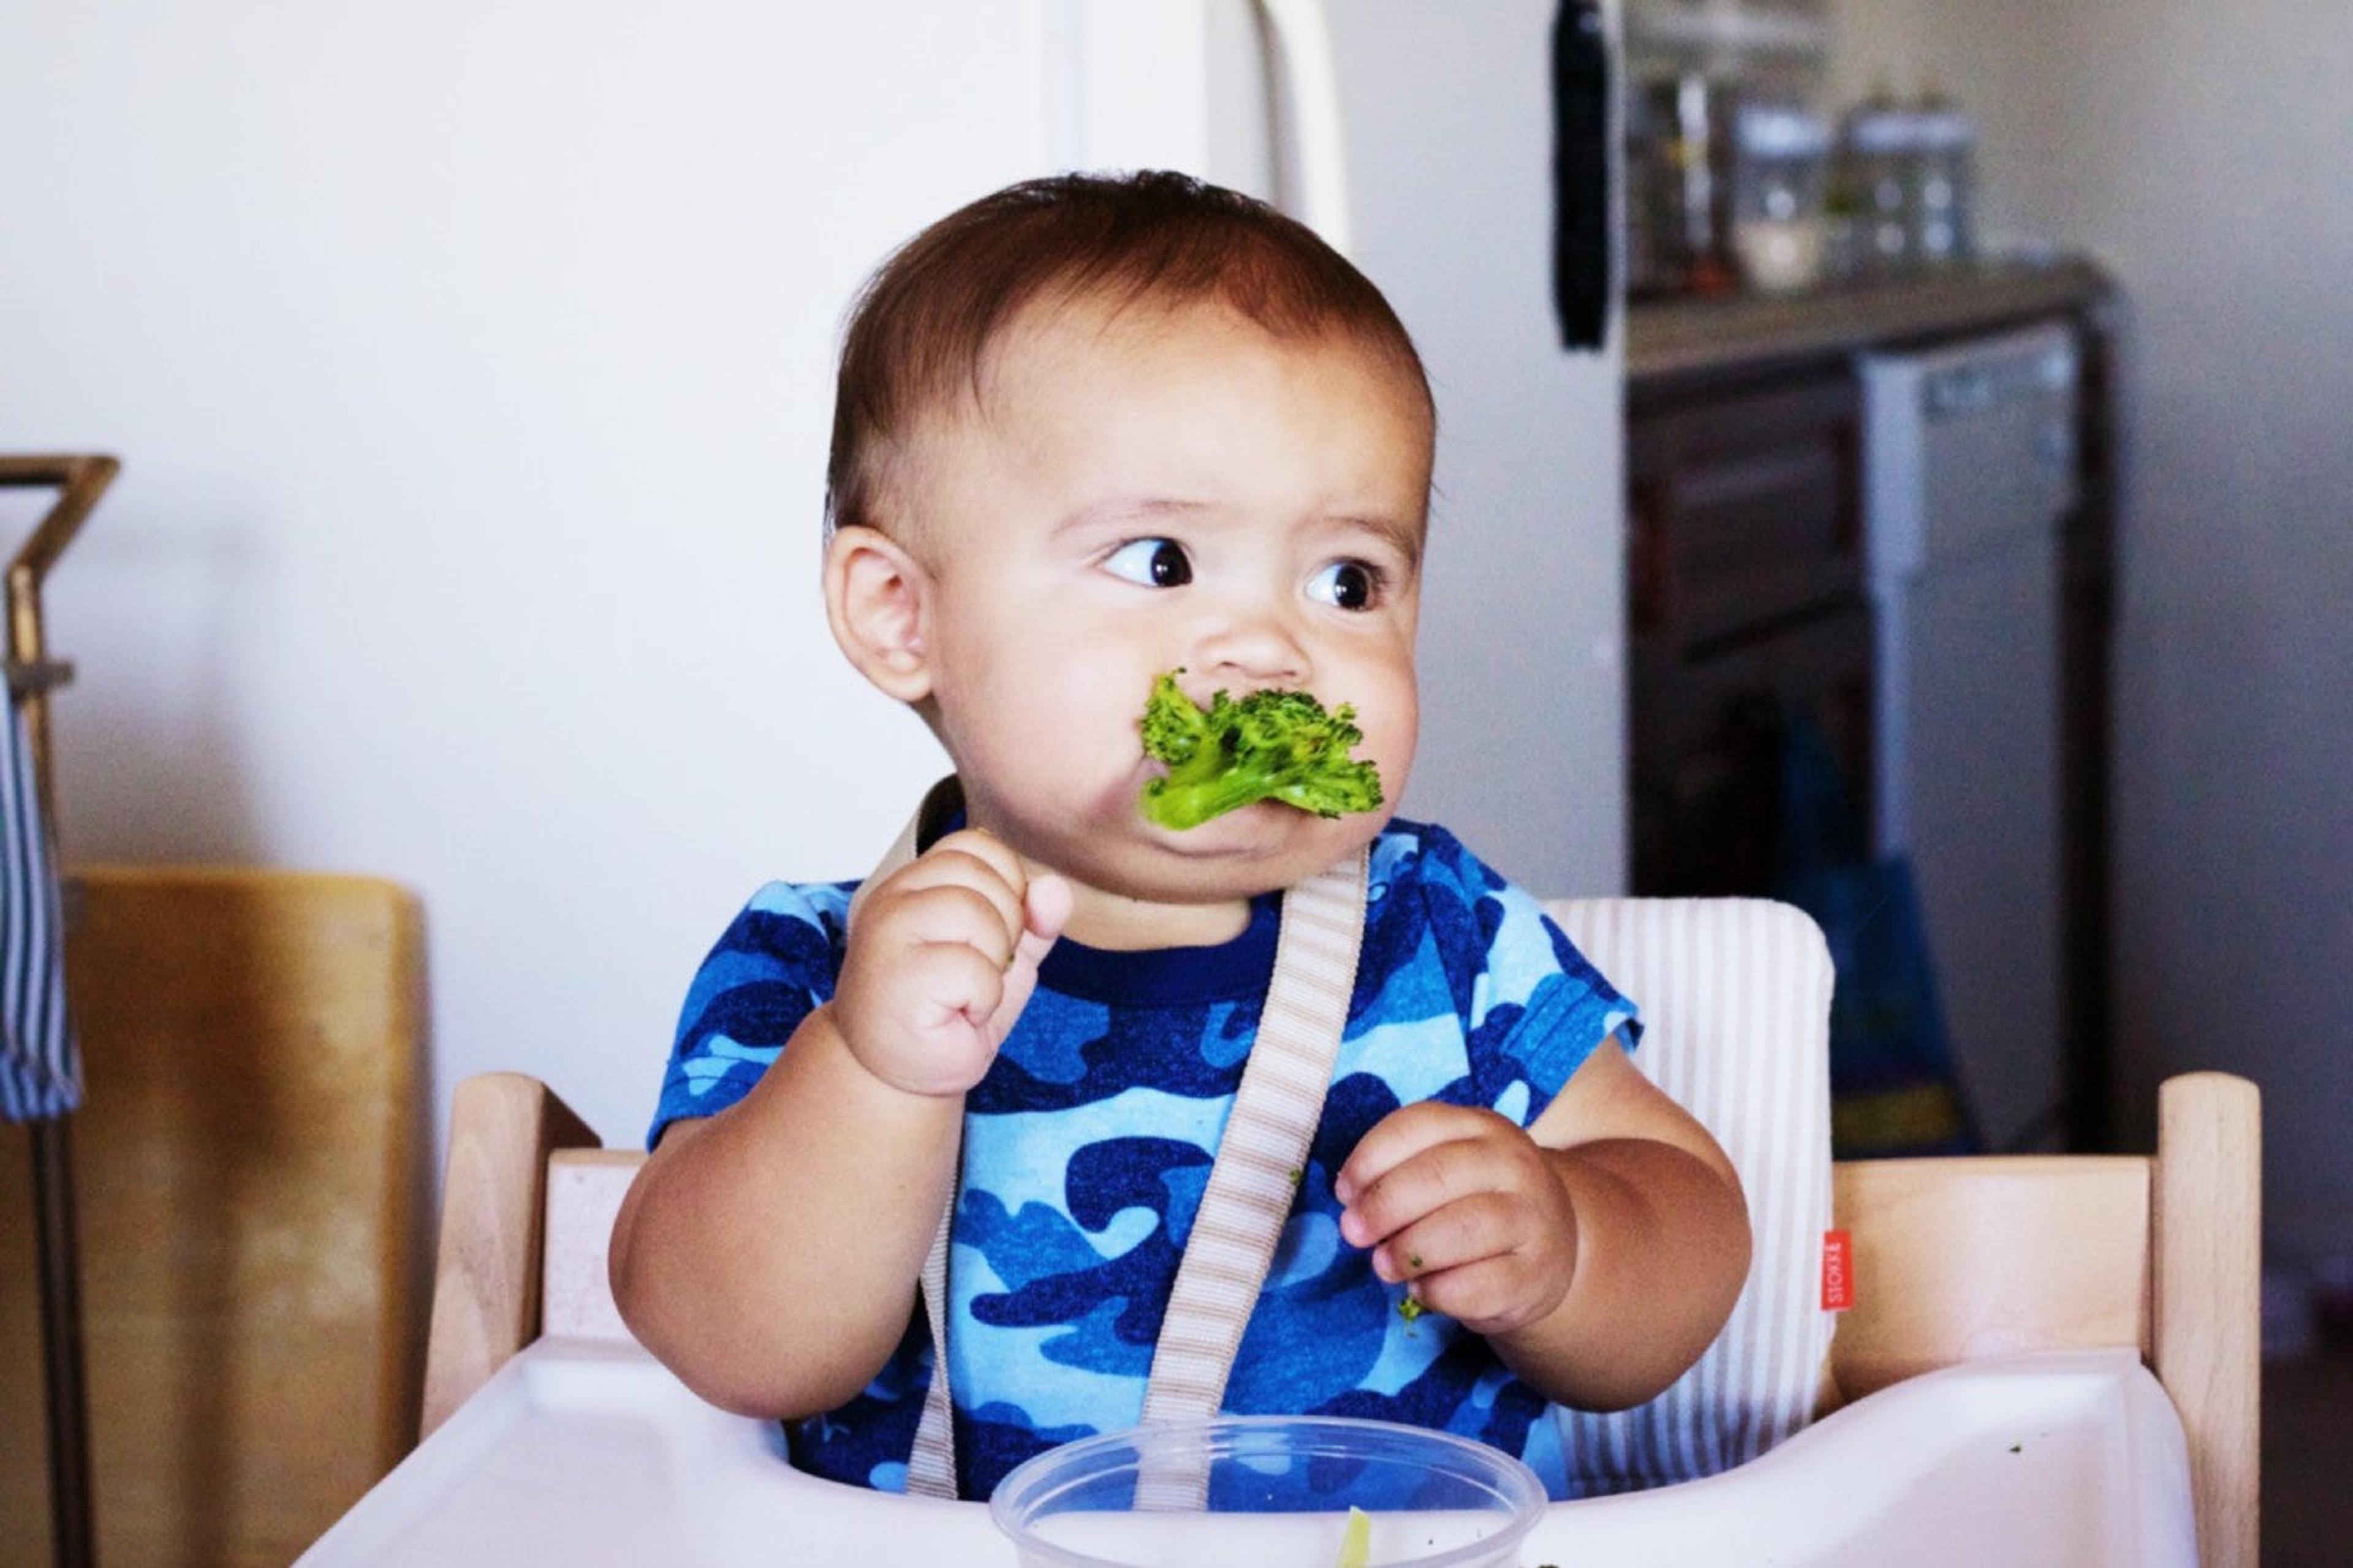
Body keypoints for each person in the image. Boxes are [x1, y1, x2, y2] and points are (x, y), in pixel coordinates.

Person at [608, 170, 1751, 1502]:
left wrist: (1572, 1243)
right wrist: (870, 1068)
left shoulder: (1446, 932)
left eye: (1348, 581)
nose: (1271, 647)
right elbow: (731, 1344)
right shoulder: (813, 960)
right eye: (1159, 560)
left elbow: (1695, 1226)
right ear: (902, 613)